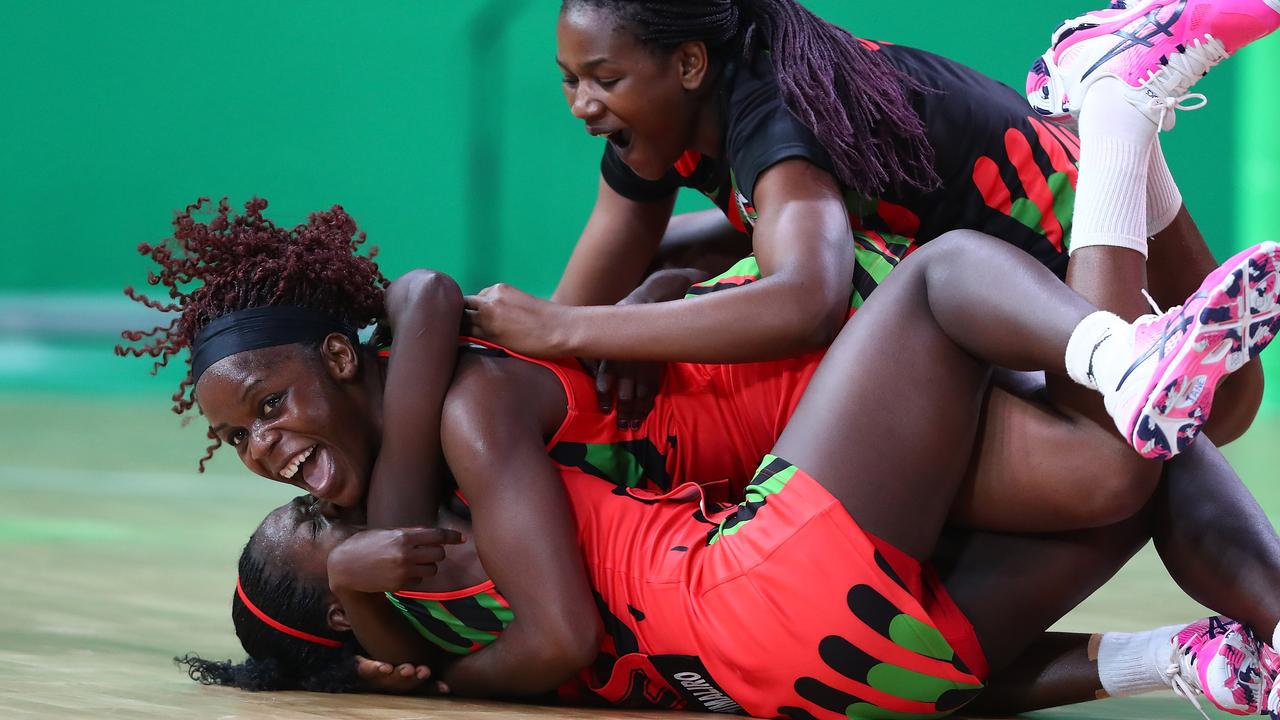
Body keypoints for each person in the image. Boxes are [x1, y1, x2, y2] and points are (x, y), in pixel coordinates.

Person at [174, 228, 1280, 717]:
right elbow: (417, 298)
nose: (279, 466)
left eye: (262, 421)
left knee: (1131, 466)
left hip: (817, 686)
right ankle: (1119, 335)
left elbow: (423, 333)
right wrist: (366, 579)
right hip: (767, 570)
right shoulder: (427, 529)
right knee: (948, 274)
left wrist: (647, 296)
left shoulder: (432, 549)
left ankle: (1194, 663)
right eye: (312, 530)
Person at [461, 0, 1272, 446]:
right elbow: (581, 310)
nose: (581, 105)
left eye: (603, 78)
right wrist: (613, 314)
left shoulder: (773, 116)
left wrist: (573, 326)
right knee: (1230, 403)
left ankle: (1117, 108)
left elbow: (804, 295)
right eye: (569, 80)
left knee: (1176, 419)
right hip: (1055, 185)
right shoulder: (662, 128)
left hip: (1060, 221)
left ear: (689, 65)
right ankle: (1106, 105)